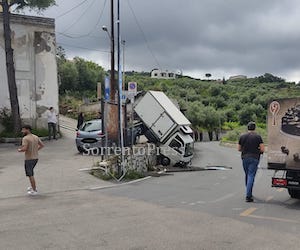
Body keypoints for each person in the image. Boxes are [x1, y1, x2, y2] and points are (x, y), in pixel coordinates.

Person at [238, 122, 264, 202]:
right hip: (255, 158)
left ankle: (248, 192)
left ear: (247, 128)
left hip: (245, 158)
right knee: (251, 175)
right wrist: (258, 151)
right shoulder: (258, 137)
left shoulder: (242, 136)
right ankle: (248, 196)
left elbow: (239, 149)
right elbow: (262, 149)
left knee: (247, 175)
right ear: (255, 128)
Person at [18, 125, 44, 195]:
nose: (22, 131)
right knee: (31, 173)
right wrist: (36, 150)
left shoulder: (25, 138)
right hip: (35, 158)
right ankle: (32, 186)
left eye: (23, 130)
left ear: (27, 130)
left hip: (29, 159)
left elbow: (25, 148)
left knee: (30, 174)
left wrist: (20, 150)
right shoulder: (35, 137)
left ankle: (34, 190)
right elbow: (42, 145)